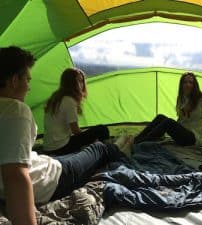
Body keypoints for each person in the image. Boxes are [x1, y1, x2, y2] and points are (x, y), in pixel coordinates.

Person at [0, 46, 131, 225]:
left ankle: (119, 143)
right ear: (14, 80)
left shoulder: (55, 97)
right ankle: (122, 145)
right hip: (51, 178)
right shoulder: (15, 110)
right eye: (27, 80)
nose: (29, 87)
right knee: (99, 145)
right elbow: (15, 174)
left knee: (78, 153)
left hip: (46, 155)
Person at [134, 72, 202, 146]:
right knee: (160, 117)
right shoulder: (181, 98)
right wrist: (173, 129)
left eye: (191, 82)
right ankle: (136, 140)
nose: (188, 85)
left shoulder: (201, 99)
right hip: (182, 133)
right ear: (181, 85)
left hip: (193, 138)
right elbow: (180, 119)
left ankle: (141, 143)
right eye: (185, 82)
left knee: (168, 122)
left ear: (195, 85)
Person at [43, 68, 109, 155]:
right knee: (101, 129)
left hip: (48, 147)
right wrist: (88, 136)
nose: (81, 85)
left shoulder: (56, 97)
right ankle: (103, 151)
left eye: (82, 81)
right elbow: (75, 131)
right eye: (78, 81)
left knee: (90, 133)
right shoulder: (69, 100)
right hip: (60, 147)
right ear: (70, 83)